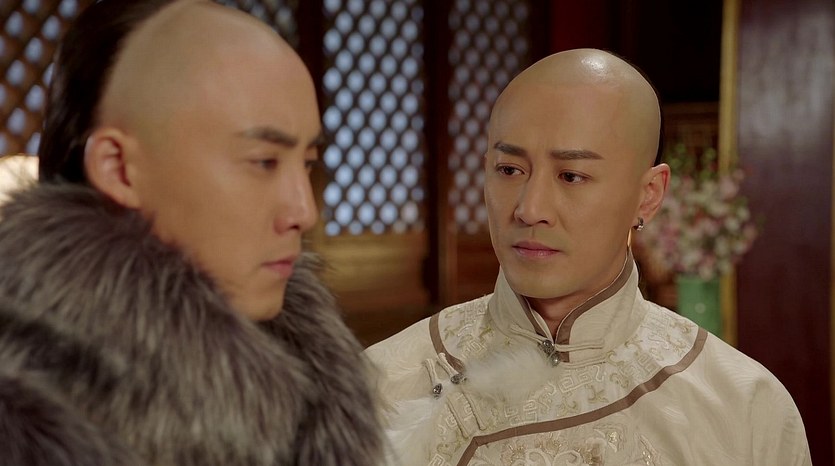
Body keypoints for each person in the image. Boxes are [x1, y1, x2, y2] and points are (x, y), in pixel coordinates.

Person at [366, 48, 810, 465]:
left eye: (571, 175)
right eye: (509, 170)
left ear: (648, 195)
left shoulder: (746, 407)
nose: (530, 209)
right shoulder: (379, 384)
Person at [0, 1, 382, 464]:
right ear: (119, 168)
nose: (305, 212)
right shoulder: (29, 416)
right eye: (264, 162)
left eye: (308, 164)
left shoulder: (311, 371)